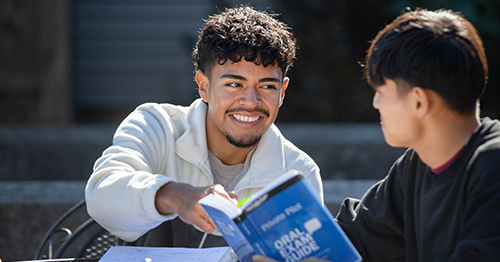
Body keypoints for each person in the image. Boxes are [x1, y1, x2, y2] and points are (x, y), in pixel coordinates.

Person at [254, 8, 500, 262]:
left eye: (381, 92)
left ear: (418, 101)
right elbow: (360, 236)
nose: (375, 104)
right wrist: (274, 239)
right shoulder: (418, 163)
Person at [85, 6, 323, 249]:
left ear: (282, 92)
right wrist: (172, 195)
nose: (251, 102)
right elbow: (101, 195)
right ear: (203, 86)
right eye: (234, 84)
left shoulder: (297, 173)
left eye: (267, 87)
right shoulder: (156, 125)